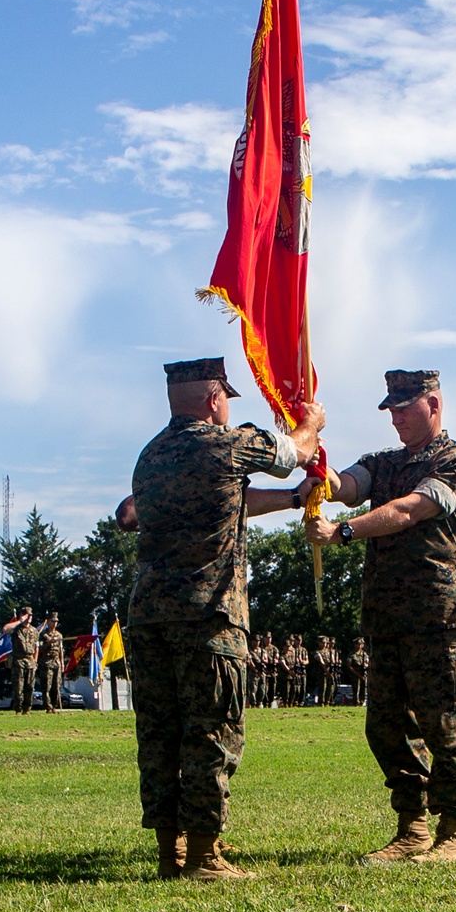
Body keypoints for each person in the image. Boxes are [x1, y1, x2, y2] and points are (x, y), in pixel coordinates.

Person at [119, 356, 324, 881]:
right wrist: (312, 422)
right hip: (208, 616)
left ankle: (171, 853)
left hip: (148, 619)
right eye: (228, 398)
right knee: (212, 732)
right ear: (215, 399)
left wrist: (292, 501)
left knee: (160, 736)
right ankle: (205, 857)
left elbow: (224, 500)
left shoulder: (151, 457)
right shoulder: (226, 445)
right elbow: (296, 452)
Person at [307, 368, 456, 866]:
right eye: (391, 410)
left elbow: (410, 510)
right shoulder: (383, 463)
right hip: (385, 621)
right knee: (385, 727)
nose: (397, 418)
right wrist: (317, 461)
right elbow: (347, 484)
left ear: (434, 404)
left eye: (405, 408)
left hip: (438, 618)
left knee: (443, 723)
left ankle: (453, 832)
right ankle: (413, 828)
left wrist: (343, 532)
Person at [5, 608, 39, 714]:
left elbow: (36, 647)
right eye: (26, 615)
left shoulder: (34, 630)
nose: (29, 617)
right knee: (18, 687)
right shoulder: (16, 628)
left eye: (30, 615)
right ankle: (18, 709)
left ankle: (27, 709)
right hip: (18, 660)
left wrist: (35, 661)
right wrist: (19, 621)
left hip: (30, 660)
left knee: (30, 686)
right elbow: (6, 629)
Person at [39, 613, 65, 713]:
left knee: (56, 685)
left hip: (56, 662)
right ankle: (48, 706)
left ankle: (54, 706)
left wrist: (62, 664)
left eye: (56, 622)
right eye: (52, 621)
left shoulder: (59, 635)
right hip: (46, 662)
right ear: (48, 621)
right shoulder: (43, 635)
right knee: (47, 686)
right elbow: (40, 649)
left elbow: (61, 650)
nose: (54, 623)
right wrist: (48, 643)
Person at [347, 637, 369, 706]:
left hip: (363, 674)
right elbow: (349, 666)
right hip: (355, 674)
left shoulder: (364, 654)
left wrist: (366, 665)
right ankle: (356, 703)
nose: (359, 646)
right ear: (355, 645)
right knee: (356, 689)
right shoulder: (352, 654)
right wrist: (357, 674)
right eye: (358, 644)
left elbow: (368, 663)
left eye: (361, 644)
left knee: (363, 689)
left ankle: (361, 702)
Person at [310, 636, 330, 706]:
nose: (324, 644)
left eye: (325, 642)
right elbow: (321, 662)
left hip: (329, 672)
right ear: (318, 643)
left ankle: (327, 702)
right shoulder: (317, 652)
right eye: (322, 642)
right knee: (322, 688)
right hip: (321, 673)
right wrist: (326, 671)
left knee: (329, 688)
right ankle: (321, 702)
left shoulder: (328, 651)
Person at [294, 636, 309, 707]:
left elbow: (307, 661)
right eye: (297, 640)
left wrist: (303, 662)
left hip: (302, 671)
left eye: (300, 640)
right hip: (295, 671)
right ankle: (295, 701)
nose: (299, 642)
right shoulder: (292, 649)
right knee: (296, 688)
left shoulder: (304, 650)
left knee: (303, 688)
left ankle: (301, 702)